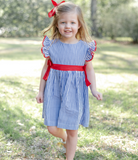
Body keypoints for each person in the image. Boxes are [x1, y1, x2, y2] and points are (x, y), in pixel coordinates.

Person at [36, 0, 102, 160]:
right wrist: (40, 90)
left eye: (72, 22)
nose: (68, 26)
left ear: (79, 24)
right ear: (57, 24)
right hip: (54, 89)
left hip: (75, 90)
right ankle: (64, 139)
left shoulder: (85, 46)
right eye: (63, 22)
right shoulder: (51, 45)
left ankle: (69, 156)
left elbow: (89, 69)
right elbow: (46, 68)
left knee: (72, 129)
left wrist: (93, 88)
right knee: (51, 127)